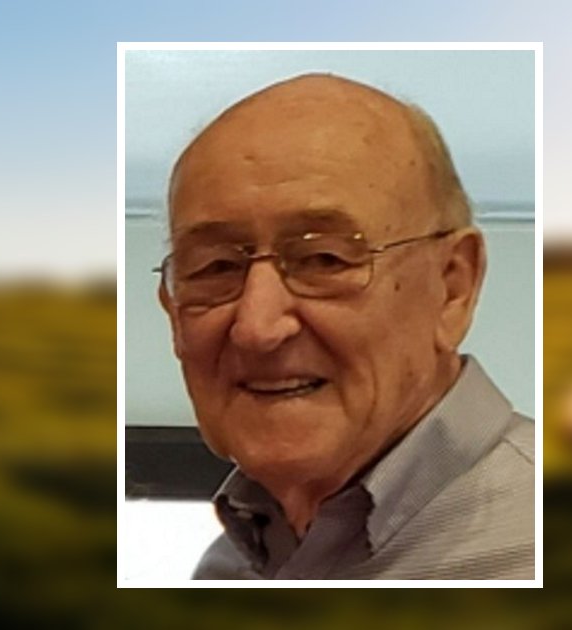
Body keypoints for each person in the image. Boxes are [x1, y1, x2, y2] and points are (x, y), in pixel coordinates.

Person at [156, 73, 534, 579]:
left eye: (324, 259)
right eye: (215, 267)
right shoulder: (230, 568)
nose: (256, 327)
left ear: (452, 288)